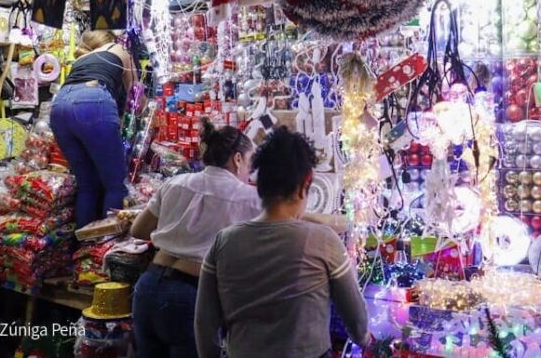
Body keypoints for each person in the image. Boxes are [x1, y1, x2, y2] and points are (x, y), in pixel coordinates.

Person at [195, 127, 371, 358]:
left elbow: (204, 324)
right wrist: (367, 341)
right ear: (304, 185)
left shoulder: (224, 242)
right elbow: (357, 322)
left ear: (259, 184)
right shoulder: (323, 241)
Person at [130, 119, 257, 358]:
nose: (249, 172)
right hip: (189, 297)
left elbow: (138, 230)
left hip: (147, 287)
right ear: (238, 159)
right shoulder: (249, 198)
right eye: (249, 163)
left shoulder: (175, 183)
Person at [50, 30, 137, 228]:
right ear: (110, 40)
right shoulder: (121, 49)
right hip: (92, 102)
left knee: (87, 183)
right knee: (115, 183)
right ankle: (106, 245)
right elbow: (136, 96)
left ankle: (84, 248)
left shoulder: (82, 59)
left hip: (59, 106)